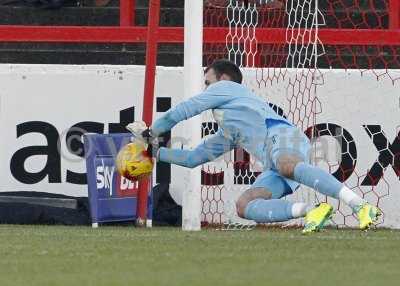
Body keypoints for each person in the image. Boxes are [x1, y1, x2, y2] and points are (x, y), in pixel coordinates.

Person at [127, 59, 381, 233]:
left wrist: (152, 131)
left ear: (224, 79)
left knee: (286, 164)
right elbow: (195, 158)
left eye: (207, 82)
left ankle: (360, 206)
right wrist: (155, 152)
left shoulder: (228, 87)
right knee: (244, 205)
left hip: (282, 138)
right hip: (275, 162)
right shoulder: (229, 131)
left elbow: (186, 108)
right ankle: (312, 211)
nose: (205, 88)